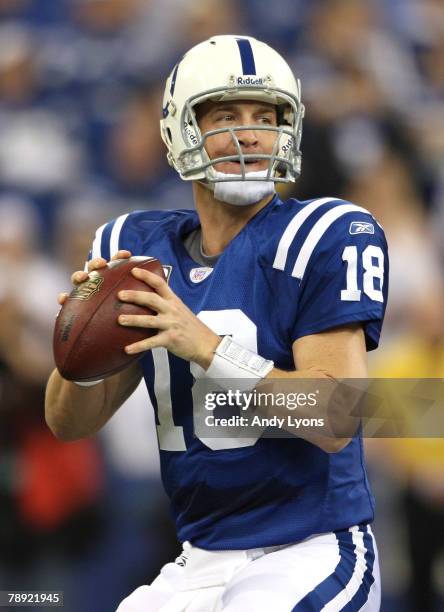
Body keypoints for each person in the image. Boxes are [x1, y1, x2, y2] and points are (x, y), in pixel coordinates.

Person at [45, 35, 388, 611]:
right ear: (180, 130)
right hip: (195, 559)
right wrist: (79, 346)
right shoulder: (136, 250)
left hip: (310, 550)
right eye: (225, 115)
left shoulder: (324, 233)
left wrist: (204, 345)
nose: (249, 133)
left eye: (265, 116)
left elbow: (338, 415)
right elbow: (67, 424)